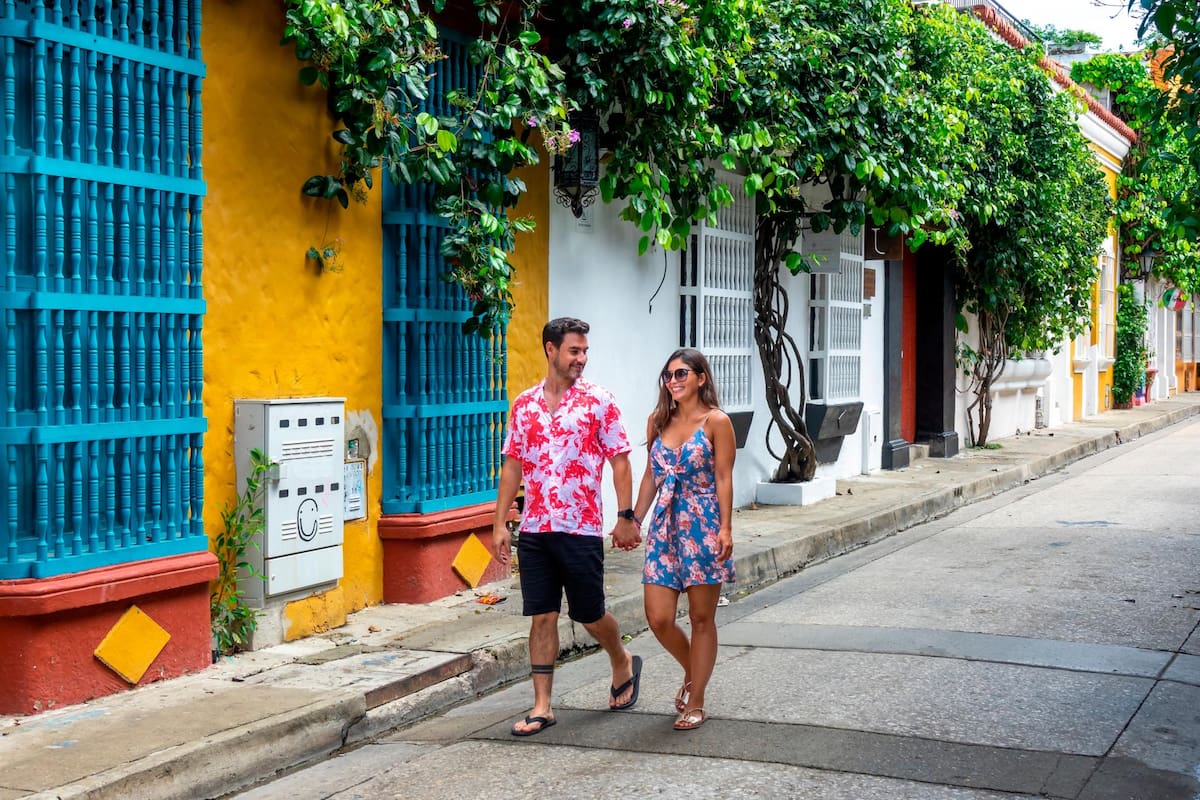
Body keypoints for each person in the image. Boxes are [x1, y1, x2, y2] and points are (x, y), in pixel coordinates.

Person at [492, 317, 644, 737]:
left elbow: (620, 461)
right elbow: (512, 465)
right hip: (536, 528)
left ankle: (621, 659)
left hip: (581, 527)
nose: (582, 358)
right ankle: (542, 706)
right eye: (574, 350)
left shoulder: (599, 401)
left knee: (589, 614)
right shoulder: (524, 404)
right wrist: (500, 522)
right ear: (551, 349)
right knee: (542, 616)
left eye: (585, 351)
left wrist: (625, 516)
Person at [631, 348, 735, 731]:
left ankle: (697, 699)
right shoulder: (657, 421)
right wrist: (633, 519)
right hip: (664, 527)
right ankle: (694, 671)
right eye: (668, 375)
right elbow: (650, 476)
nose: (673, 381)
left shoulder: (716, 422)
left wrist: (725, 528)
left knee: (701, 617)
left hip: (703, 525)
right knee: (658, 617)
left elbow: (723, 477)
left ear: (700, 378)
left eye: (681, 374)